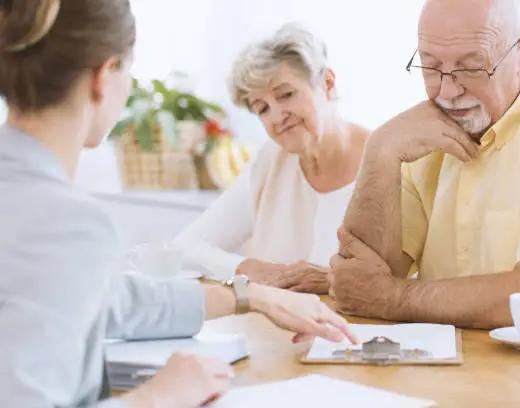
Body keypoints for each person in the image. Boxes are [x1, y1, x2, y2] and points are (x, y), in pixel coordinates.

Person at [0, 1, 357, 407]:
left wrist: (251, 296)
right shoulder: (62, 223)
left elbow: (112, 300)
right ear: (105, 75)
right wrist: (157, 397)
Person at [330, 0, 520, 329]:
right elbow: (362, 280)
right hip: (442, 368)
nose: (448, 90)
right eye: (431, 67)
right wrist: (379, 151)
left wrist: (393, 298)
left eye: (472, 68)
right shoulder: (420, 134)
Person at [173, 23, 369, 294]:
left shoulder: (386, 158)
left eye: (286, 95)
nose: (277, 116)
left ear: (327, 84)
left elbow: (414, 281)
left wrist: (333, 281)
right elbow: (184, 248)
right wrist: (243, 268)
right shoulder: (270, 161)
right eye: (262, 108)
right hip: (277, 333)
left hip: (368, 333)